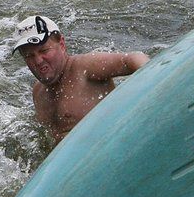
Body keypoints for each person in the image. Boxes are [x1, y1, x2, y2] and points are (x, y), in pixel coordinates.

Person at [12, 15, 149, 145]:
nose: (38, 60)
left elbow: (132, 59)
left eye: (44, 51)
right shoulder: (38, 92)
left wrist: (154, 88)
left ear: (62, 44)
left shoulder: (85, 67)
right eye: (29, 55)